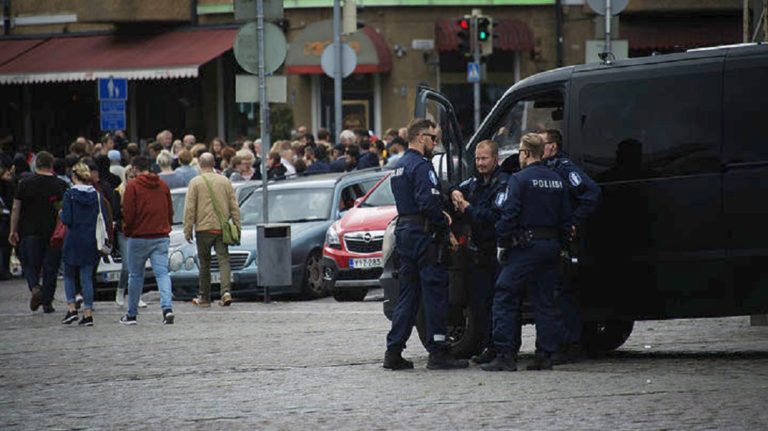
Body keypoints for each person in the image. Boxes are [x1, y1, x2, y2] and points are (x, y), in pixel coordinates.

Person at [481, 133, 572, 372]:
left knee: (505, 294)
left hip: (526, 247)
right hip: (551, 246)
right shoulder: (557, 179)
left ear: (526, 153)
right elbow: (566, 218)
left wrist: (502, 244)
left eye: (520, 151)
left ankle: (505, 354)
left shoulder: (519, 180)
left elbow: (508, 215)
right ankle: (545, 354)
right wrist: (561, 245)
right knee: (545, 300)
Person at [383, 118, 467, 371]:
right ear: (420, 137)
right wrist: (446, 226)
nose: (435, 143)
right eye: (433, 138)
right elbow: (428, 203)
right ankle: (438, 351)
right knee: (435, 293)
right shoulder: (421, 166)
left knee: (408, 295)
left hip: (406, 233)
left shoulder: (399, 165)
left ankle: (394, 351)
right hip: (423, 234)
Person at [541, 128, 601, 363]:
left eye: (543, 143)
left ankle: (571, 344)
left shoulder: (564, 168)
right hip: (554, 238)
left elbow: (591, 193)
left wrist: (575, 221)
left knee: (563, 294)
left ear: (553, 146)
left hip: (566, 241)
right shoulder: (547, 168)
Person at [450, 139, 508, 364]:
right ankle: (487, 346)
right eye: (477, 159)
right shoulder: (475, 181)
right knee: (479, 303)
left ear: (495, 159)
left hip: (496, 251)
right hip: (478, 253)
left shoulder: (503, 183)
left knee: (497, 303)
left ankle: (499, 347)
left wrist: (468, 209)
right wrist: (455, 193)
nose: (480, 163)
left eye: (484, 159)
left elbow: (494, 217)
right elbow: (456, 188)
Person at [8, 151, 68, 313]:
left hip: (29, 231)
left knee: (29, 263)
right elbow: (63, 210)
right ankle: (47, 302)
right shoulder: (60, 185)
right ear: (51, 165)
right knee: (51, 267)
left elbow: (16, 208)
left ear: (36, 165)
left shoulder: (24, 184)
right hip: (53, 232)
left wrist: (13, 230)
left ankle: (34, 286)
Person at [120, 155, 175, 325]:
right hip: (160, 236)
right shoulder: (162, 185)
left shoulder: (133, 186)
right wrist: (167, 227)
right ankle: (167, 309)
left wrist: (127, 231)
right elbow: (170, 210)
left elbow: (128, 213)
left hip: (138, 237)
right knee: (162, 274)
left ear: (135, 168)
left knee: (136, 275)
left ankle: (131, 314)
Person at [184, 153, 241, 307]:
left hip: (203, 228)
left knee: (205, 263)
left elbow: (189, 208)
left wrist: (187, 229)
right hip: (221, 228)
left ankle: (204, 297)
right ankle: (226, 292)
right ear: (214, 163)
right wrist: (237, 225)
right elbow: (233, 206)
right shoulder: (225, 181)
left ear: (200, 165)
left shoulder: (195, 182)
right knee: (223, 260)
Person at [60, 163, 107, 326]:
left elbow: (67, 219)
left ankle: (72, 308)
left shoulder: (69, 195)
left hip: (73, 239)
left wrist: (61, 214)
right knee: (87, 277)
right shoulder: (97, 195)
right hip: (91, 239)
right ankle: (88, 313)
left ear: (74, 176)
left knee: (68, 274)